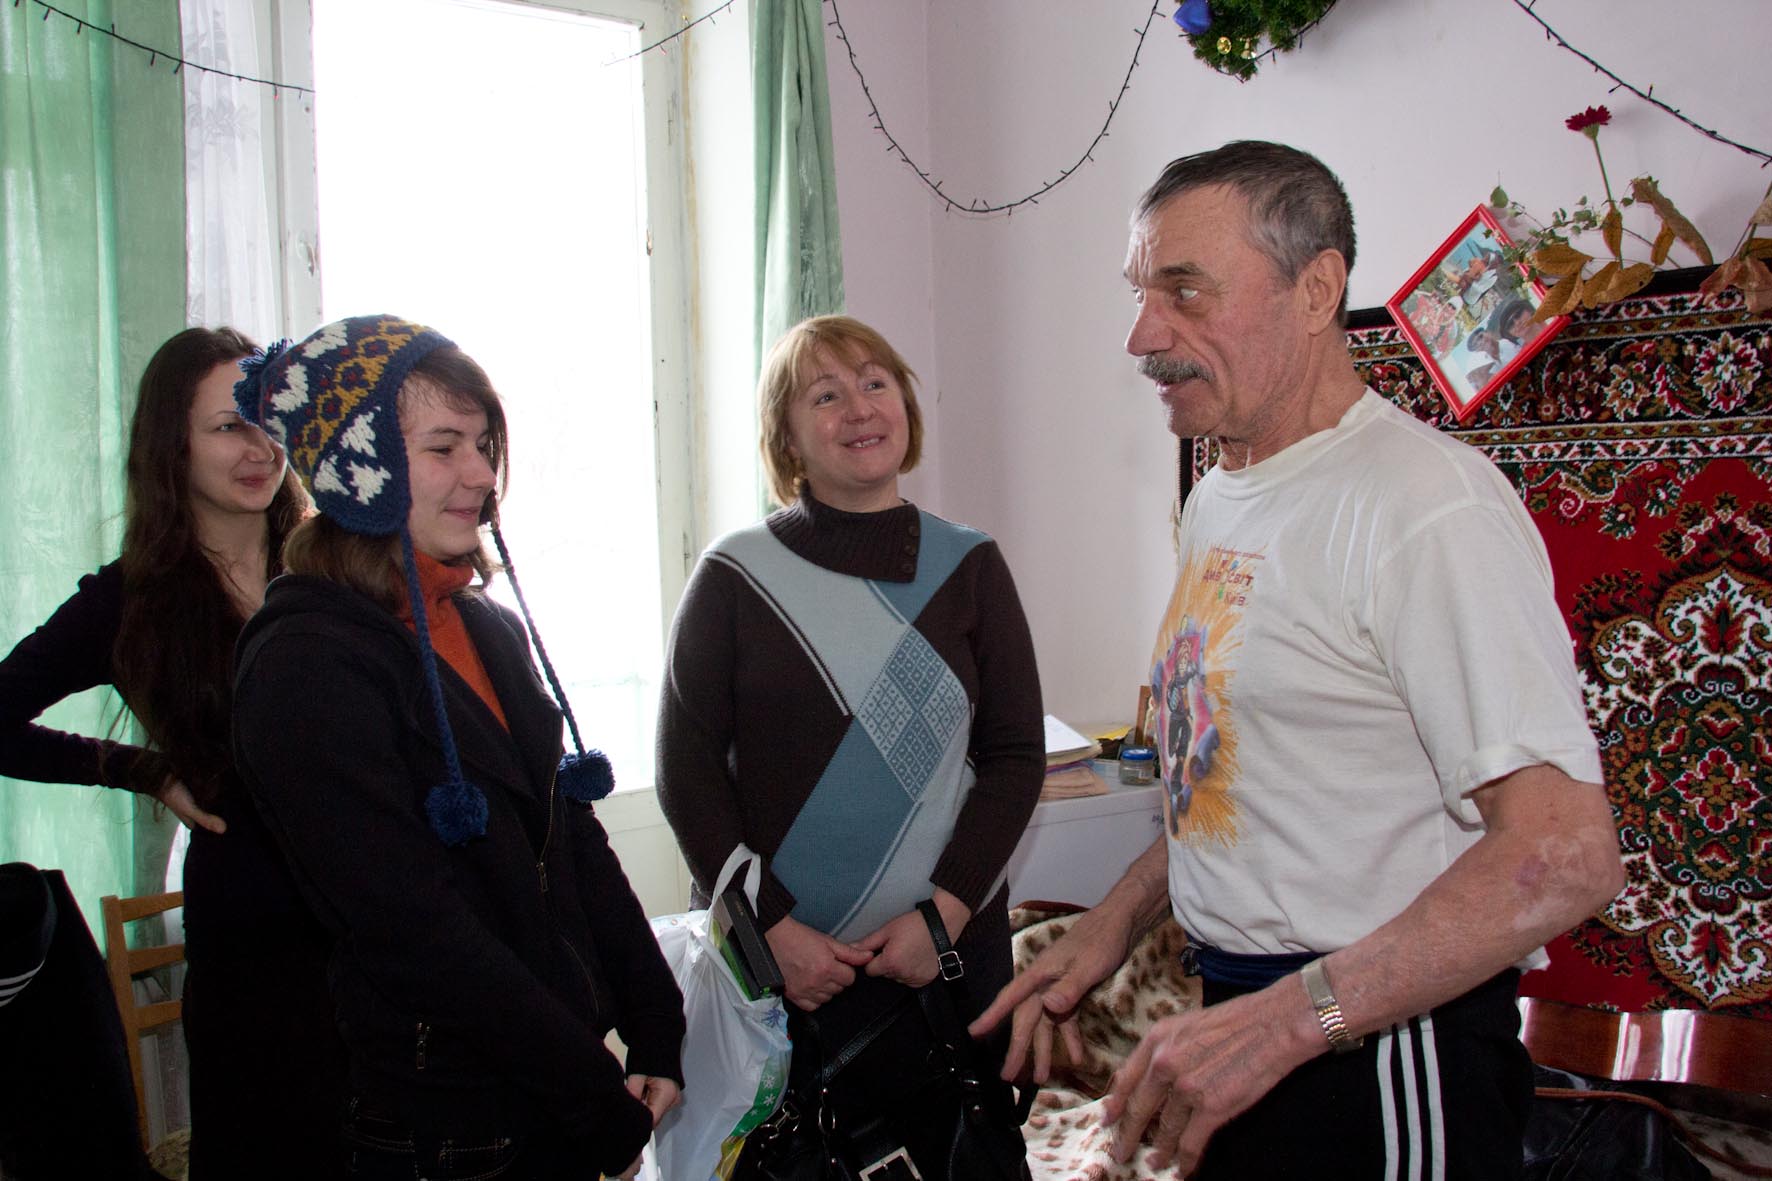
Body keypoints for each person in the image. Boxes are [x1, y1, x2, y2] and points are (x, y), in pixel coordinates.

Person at [971, 141, 1625, 1179]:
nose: (1142, 335)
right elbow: (1244, 785)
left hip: (1383, 1054)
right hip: (1248, 1030)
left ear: (1315, 289)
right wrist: (1112, 923)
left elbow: (1563, 855)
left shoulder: (1424, 507)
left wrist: (1285, 1022)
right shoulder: (1219, 494)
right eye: (1141, 294)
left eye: (1185, 291)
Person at [230, 315, 684, 1180]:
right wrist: (595, 1098)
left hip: (551, 1097)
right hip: (446, 1131)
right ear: (357, 472)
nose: (481, 473)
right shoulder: (304, 663)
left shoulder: (484, 625)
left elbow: (570, 837)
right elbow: (416, 931)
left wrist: (658, 1025)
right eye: (443, 447)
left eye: (483, 444)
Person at [656, 315, 1044, 1176]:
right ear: (786, 437)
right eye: (825, 395)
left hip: (945, 968)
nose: (860, 407)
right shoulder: (733, 576)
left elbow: (1016, 757)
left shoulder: (972, 566)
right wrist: (769, 931)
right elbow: (686, 772)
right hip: (780, 978)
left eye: (875, 382)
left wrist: (942, 920)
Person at [0, 327, 346, 1177]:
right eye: (228, 426)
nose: (259, 447)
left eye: (268, 421)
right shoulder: (132, 597)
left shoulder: (336, 564)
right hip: (251, 947)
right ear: (171, 444)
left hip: (374, 925)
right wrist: (140, 769)